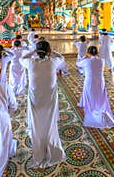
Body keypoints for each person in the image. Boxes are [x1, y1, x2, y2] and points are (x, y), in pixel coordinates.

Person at [20, 40, 66, 168]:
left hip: (36, 100)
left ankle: (39, 144)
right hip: (49, 100)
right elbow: (61, 58)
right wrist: (52, 52)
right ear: (48, 51)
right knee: (49, 122)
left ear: (37, 51)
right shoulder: (52, 62)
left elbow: (21, 58)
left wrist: (33, 51)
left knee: (37, 122)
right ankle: (50, 144)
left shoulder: (30, 63)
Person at [77, 46, 114, 128]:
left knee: (91, 95)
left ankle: (92, 109)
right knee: (99, 95)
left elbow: (78, 63)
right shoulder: (102, 60)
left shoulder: (86, 61)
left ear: (88, 53)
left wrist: (84, 57)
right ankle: (98, 107)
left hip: (90, 82)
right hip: (100, 81)